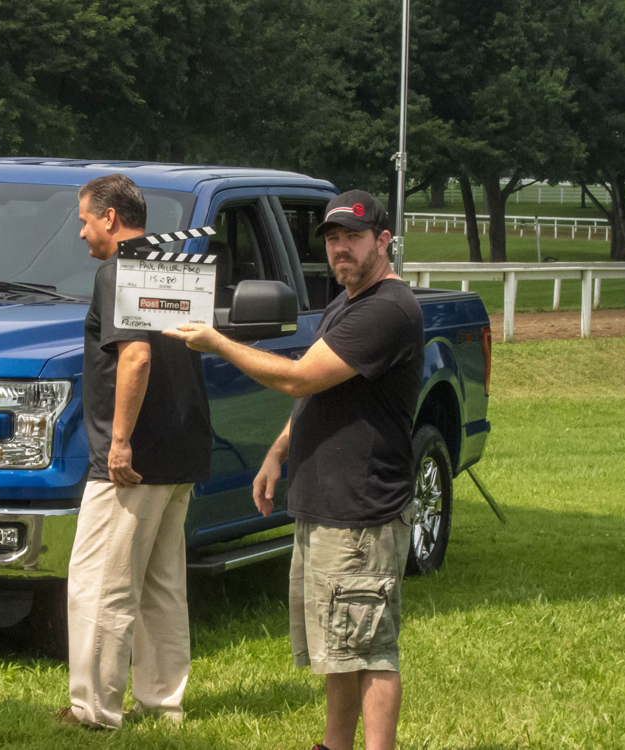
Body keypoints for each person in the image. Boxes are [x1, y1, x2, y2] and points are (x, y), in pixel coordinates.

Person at [164, 190, 424, 750]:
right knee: (340, 645)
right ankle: (334, 745)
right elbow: (320, 396)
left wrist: (217, 342)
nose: (340, 249)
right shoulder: (347, 302)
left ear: (383, 241)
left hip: (361, 511)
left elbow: (300, 377)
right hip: (329, 502)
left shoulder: (386, 309)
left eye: (352, 238)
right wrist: (279, 451)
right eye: (332, 239)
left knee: (371, 646)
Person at [59, 173, 212, 730]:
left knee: (101, 584)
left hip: (135, 460)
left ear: (110, 218)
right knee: (162, 587)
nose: (81, 234)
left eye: (83, 220)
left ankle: (94, 711)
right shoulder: (173, 270)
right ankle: (163, 703)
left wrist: (119, 441)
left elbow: (137, 358)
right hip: (184, 450)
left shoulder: (114, 272)